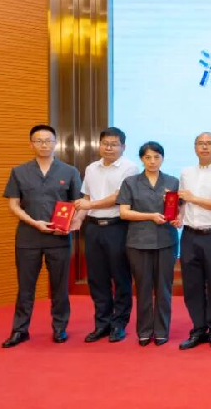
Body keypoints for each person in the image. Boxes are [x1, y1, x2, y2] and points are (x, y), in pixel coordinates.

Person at [1, 125, 83, 348]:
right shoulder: (19, 171)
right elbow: (13, 205)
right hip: (28, 238)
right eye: (39, 140)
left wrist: (74, 222)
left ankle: (59, 328)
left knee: (59, 287)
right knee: (25, 287)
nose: (44, 144)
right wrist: (34, 222)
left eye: (48, 140)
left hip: (58, 238)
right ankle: (20, 330)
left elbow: (77, 203)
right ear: (31, 144)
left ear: (56, 143)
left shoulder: (69, 171)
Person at [75, 127, 138, 344]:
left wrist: (90, 205)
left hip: (117, 227)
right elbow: (86, 197)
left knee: (120, 277)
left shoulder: (130, 168)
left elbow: (119, 197)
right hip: (93, 228)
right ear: (99, 144)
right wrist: (77, 219)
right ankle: (102, 323)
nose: (109, 148)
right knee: (96, 278)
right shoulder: (91, 168)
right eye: (105, 143)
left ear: (123, 147)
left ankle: (119, 323)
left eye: (114, 144)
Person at [116, 141, 180, 346]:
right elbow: (124, 213)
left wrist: (178, 219)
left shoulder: (173, 181)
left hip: (166, 241)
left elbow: (178, 210)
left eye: (156, 157)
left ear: (163, 158)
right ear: (141, 159)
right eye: (148, 157)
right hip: (138, 242)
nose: (152, 161)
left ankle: (161, 330)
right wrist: (150, 216)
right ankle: (144, 330)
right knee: (143, 288)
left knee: (164, 288)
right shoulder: (130, 182)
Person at [177, 132, 211, 351]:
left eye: (210, 143)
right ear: (194, 148)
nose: (205, 147)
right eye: (200, 143)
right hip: (189, 235)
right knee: (192, 285)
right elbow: (183, 203)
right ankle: (198, 328)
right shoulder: (186, 172)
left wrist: (194, 198)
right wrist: (177, 216)